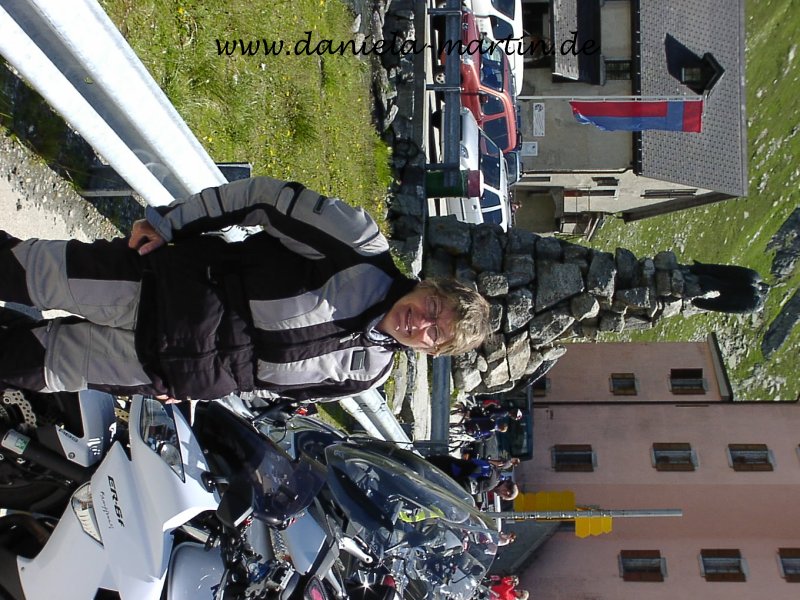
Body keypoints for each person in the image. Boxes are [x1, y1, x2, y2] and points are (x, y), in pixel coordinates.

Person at [0, 176, 491, 402]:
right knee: (16, 272)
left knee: (22, 365)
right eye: (433, 307)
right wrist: (170, 224)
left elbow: (263, 384)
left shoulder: (368, 374)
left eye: (435, 333)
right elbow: (263, 199)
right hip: (154, 286)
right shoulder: (360, 248)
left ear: (431, 352)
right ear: (429, 285)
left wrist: (192, 391)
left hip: (158, 367)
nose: (421, 323)